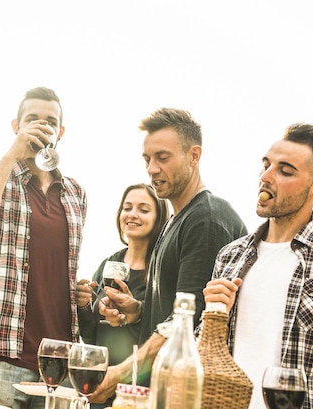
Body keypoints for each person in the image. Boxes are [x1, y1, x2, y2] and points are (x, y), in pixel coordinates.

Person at [90, 108, 248, 402]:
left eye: (162, 157)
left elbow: (186, 322)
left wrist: (122, 373)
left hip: (186, 396)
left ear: (194, 156)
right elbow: (170, 313)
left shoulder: (206, 220)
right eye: (147, 159)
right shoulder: (176, 220)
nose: (151, 169)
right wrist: (137, 312)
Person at [0, 87, 87, 409]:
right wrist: (11, 156)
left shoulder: (75, 192)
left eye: (49, 121)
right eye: (32, 119)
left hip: (57, 363)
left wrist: (80, 291)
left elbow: (55, 263)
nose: (40, 127)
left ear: (61, 131)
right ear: (16, 125)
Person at [203, 123, 313, 409]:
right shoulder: (230, 256)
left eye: (285, 171)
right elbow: (207, 355)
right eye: (266, 165)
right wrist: (211, 315)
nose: (266, 177)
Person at [75, 183, 168, 406]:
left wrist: (133, 314)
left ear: (159, 218)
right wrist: (84, 305)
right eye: (127, 208)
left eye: (143, 210)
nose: (132, 214)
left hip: (136, 388)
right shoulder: (109, 263)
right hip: (99, 382)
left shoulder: (162, 270)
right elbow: (90, 336)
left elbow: (163, 329)